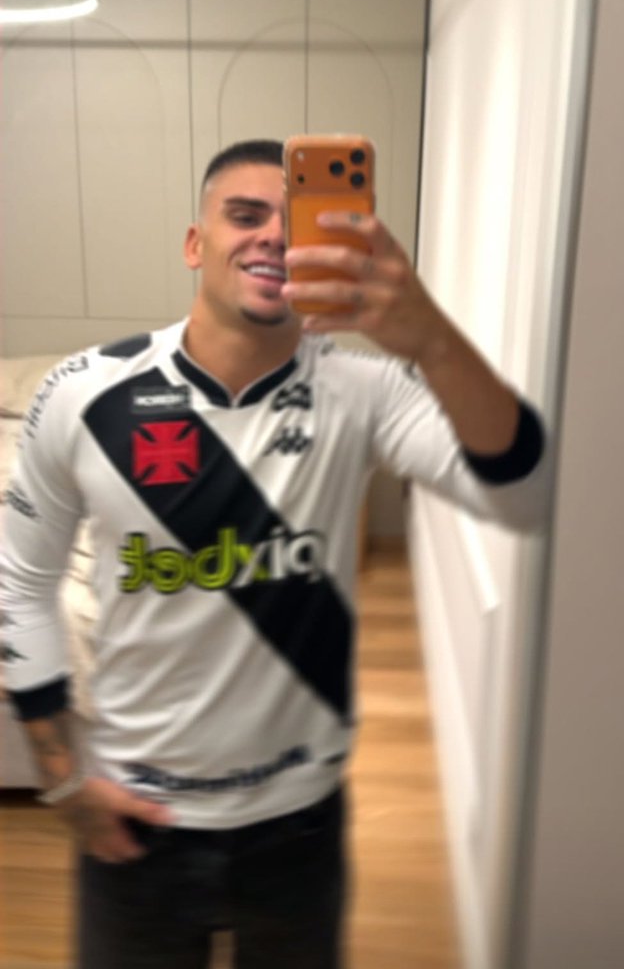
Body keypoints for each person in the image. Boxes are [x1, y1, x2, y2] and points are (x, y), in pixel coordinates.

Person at [0, 139, 549, 968]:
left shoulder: (363, 389)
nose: (273, 237)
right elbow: (22, 580)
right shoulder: (83, 393)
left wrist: (431, 340)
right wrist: (62, 776)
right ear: (195, 243)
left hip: (299, 825)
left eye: (297, 222)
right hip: (132, 823)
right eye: (245, 215)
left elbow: (522, 495)